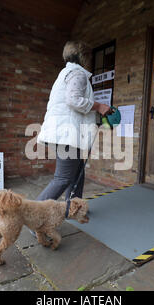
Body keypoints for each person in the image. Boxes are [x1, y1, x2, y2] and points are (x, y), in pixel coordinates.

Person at [36, 41, 112, 203]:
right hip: (67, 134)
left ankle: (74, 209)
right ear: (84, 57)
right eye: (89, 57)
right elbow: (73, 100)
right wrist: (99, 106)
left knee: (77, 174)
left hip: (66, 133)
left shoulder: (66, 73)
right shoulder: (77, 74)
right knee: (63, 178)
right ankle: (33, 217)